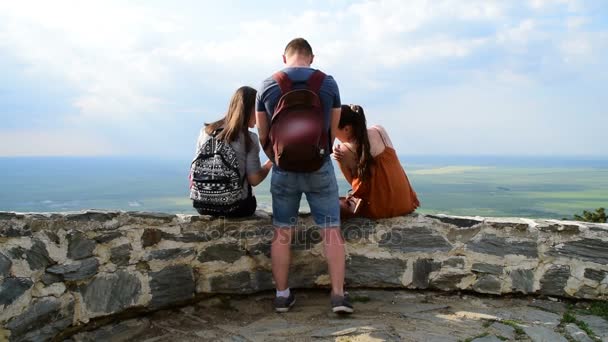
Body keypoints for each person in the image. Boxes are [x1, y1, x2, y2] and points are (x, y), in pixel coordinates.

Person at [256, 38, 353, 314]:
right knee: (331, 232)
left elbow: (263, 134)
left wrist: (278, 159)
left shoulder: (267, 85)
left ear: (284, 57)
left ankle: (282, 296)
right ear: (311, 57)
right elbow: (332, 131)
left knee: (282, 233)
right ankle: (337, 296)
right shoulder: (328, 83)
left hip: (283, 169)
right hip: (318, 166)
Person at [190, 86, 272, 217]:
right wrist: (269, 165)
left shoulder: (205, 132)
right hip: (236, 207)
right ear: (249, 110)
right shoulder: (249, 138)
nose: (259, 115)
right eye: (257, 110)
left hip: (202, 205)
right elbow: (254, 179)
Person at [333, 104, 420, 219]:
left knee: (332, 206)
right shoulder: (380, 130)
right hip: (405, 203)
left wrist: (340, 161)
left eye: (333, 128)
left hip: (379, 211)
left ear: (347, 129)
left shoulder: (343, 152)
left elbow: (357, 187)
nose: (332, 133)